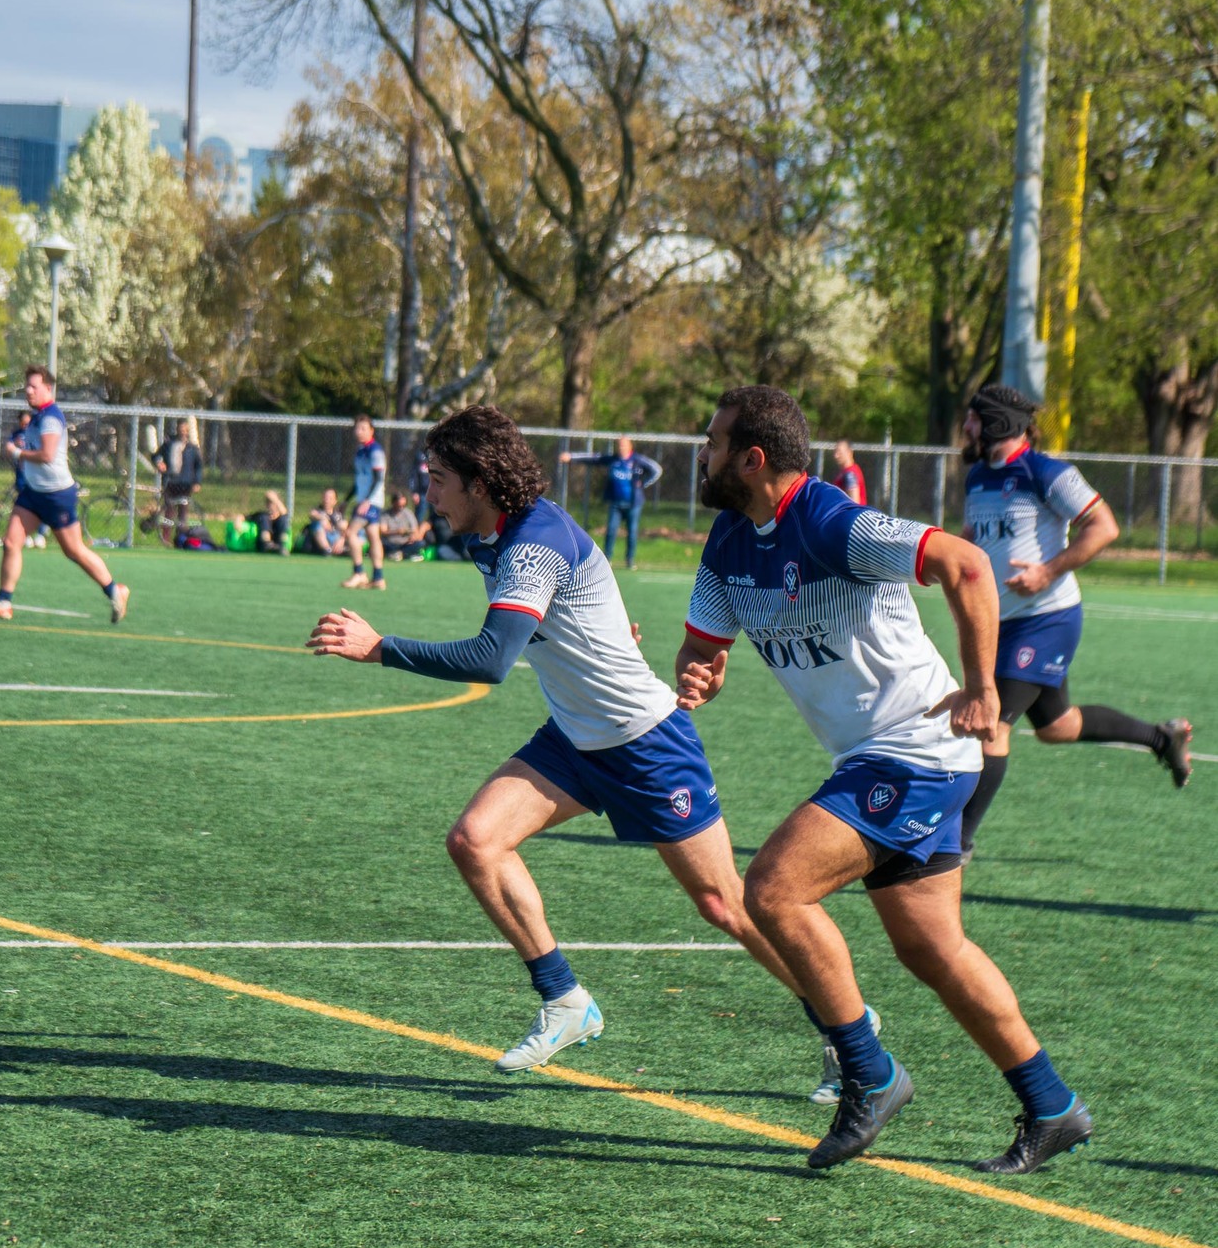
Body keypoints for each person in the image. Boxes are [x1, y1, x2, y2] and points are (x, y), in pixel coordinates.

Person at [310, 403, 831, 1079]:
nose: (427, 494)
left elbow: (493, 658)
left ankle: (842, 1025)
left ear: (479, 479)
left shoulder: (530, 543)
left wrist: (380, 648)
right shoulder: (492, 536)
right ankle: (564, 999)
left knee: (724, 904)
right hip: (575, 737)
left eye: (438, 479)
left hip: (645, 741)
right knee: (475, 840)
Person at [677, 383, 1092, 1175]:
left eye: (711, 441)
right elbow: (704, 649)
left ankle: (869, 1074)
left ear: (751, 458)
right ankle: (1053, 1105)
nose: (703, 454)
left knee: (768, 889)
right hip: (882, 759)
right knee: (932, 948)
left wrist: (981, 688)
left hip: (915, 752)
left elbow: (967, 566)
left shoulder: (832, 521)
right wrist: (700, 674)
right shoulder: (725, 546)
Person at [956, 383, 1191, 853]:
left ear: (999, 423)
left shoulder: (1047, 472)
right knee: (1056, 726)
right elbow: (973, 538)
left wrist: (1047, 571)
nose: (966, 428)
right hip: (1002, 623)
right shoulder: (978, 476)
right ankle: (1161, 738)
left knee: (992, 724)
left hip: (1047, 618)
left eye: (975, 420)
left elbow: (1104, 526)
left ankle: (956, 844)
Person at [0, 365, 129, 624]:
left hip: (57, 495)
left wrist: (16, 453)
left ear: (48, 388)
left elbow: (46, 456)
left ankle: (115, 590)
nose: (28, 391)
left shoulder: (50, 417)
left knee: (74, 551)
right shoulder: (36, 417)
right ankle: (4, 602)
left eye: (33, 386)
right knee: (11, 542)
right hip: (33, 493)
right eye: (27, 386)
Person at [558, 436, 663, 569]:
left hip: (633, 504)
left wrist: (642, 483)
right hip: (615, 503)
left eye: (624, 445)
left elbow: (657, 470)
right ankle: (607, 559)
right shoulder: (612, 460)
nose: (621, 447)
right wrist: (571, 457)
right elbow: (593, 458)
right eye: (619, 445)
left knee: (632, 532)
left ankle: (630, 560)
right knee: (611, 530)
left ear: (630, 446)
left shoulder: (638, 460)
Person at [341, 414, 388, 591]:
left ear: (371, 431)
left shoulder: (375, 451)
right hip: (366, 501)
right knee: (373, 537)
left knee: (351, 533)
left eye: (363, 428)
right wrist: (346, 500)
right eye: (357, 428)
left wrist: (367, 500)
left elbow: (378, 478)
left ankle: (359, 573)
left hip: (371, 502)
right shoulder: (361, 451)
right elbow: (359, 480)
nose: (359, 432)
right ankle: (378, 577)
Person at [153, 419, 203, 538]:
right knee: (169, 511)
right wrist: (159, 463)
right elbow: (156, 456)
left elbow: (198, 466)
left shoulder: (192, 448)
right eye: (181, 430)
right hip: (171, 482)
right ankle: (166, 538)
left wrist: (197, 482)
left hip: (185, 483)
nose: (183, 432)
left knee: (183, 512)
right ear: (177, 430)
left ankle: (181, 537)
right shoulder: (169, 444)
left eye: (185, 430)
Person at [379, 490, 425, 560]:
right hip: (391, 542)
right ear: (393, 503)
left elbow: (415, 530)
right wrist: (397, 532)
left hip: (405, 543)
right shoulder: (385, 515)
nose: (401, 508)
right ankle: (401, 554)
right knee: (381, 544)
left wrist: (412, 536)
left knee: (420, 543)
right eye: (399, 505)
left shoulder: (408, 513)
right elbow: (383, 531)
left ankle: (400, 554)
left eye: (403, 505)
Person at [303, 488, 348, 557]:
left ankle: (343, 549)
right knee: (317, 525)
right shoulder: (317, 511)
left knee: (348, 527)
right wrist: (323, 518)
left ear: (335, 501)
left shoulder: (338, 515)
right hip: (321, 538)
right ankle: (327, 550)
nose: (327, 500)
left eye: (330, 498)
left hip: (336, 538)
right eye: (325, 497)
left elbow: (345, 527)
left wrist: (341, 540)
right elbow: (312, 514)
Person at [250, 490, 291, 554]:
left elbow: (284, 512)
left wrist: (275, 499)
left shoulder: (282, 517)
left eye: (271, 503)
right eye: (268, 503)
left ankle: (282, 546)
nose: (269, 505)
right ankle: (267, 544)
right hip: (263, 545)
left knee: (283, 519)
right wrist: (238, 519)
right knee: (263, 517)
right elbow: (244, 517)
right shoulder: (262, 515)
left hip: (279, 544)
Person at [831, 438, 866, 504]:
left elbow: (855, 502)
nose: (836, 456)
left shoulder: (850, 474)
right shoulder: (845, 472)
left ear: (849, 452)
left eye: (839, 452)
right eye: (835, 452)